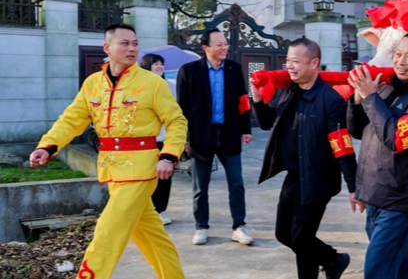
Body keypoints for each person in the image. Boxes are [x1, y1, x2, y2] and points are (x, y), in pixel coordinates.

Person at [29, 24, 186, 279]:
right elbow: (72, 119)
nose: (132, 48)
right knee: (151, 235)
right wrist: (48, 145)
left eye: (135, 43)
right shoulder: (93, 84)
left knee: (107, 232)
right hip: (111, 169)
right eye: (124, 43)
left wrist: (169, 155)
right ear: (107, 48)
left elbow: (176, 121)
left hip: (142, 169)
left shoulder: (152, 83)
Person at [252, 38, 359, 279]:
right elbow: (267, 123)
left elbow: (342, 146)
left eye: (296, 61)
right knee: (283, 234)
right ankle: (333, 260)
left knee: (301, 238)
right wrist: (257, 99)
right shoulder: (287, 92)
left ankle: (329, 263)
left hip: (318, 179)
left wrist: (354, 186)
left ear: (314, 63)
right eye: (288, 61)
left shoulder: (330, 100)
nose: (290, 66)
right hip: (293, 177)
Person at [347, 32, 408, 279]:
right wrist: (359, 99)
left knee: (377, 270)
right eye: (398, 54)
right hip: (376, 194)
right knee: (397, 264)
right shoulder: (386, 87)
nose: (401, 62)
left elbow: (397, 139)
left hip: (402, 200)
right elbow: (359, 131)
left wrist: (371, 98)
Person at [176, 29, 254, 246]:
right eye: (219, 44)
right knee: (200, 186)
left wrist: (246, 129)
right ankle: (201, 226)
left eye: (225, 44)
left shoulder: (234, 69)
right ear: (205, 47)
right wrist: (183, 137)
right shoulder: (189, 71)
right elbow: (181, 108)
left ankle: (239, 226)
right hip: (200, 136)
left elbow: (242, 101)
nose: (224, 47)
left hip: (229, 134)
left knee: (236, 182)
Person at [141, 53, 174, 225]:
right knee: (147, 177)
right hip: (146, 140)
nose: (160, 66)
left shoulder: (168, 86)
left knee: (164, 178)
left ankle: (160, 210)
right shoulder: (140, 88)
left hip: (165, 139)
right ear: (147, 66)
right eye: (156, 64)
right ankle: (147, 210)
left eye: (161, 63)